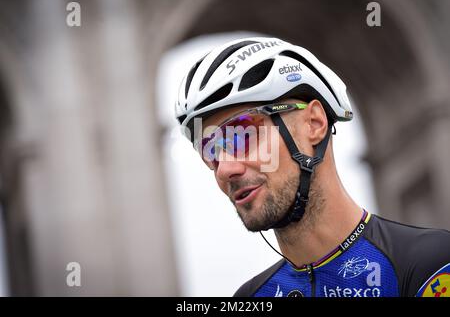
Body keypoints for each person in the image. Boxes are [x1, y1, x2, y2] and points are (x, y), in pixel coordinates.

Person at [174, 36, 450, 297]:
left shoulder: (431, 263)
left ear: (314, 124)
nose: (224, 170)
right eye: (211, 149)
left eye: (242, 135)